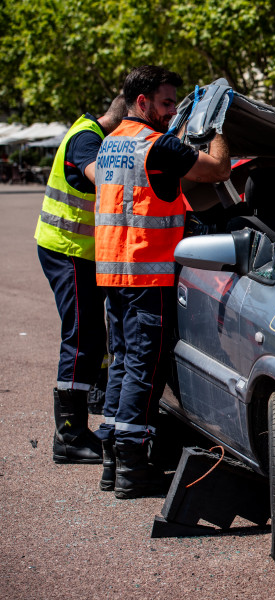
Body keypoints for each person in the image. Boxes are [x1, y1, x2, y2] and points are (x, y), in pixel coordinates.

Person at [94, 66, 231, 498]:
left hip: (114, 271)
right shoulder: (157, 145)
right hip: (148, 273)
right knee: (145, 370)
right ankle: (133, 466)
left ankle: (114, 460)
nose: (172, 112)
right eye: (167, 103)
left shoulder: (112, 144)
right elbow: (220, 168)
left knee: (122, 362)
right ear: (142, 103)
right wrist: (218, 123)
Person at [35, 95, 127, 465]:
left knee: (90, 333)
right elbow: (102, 178)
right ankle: (69, 435)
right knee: (82, 334)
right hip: (69, 248)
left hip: (79, 249)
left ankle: (90, 399)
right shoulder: (87, 140)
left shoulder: (89, 131)